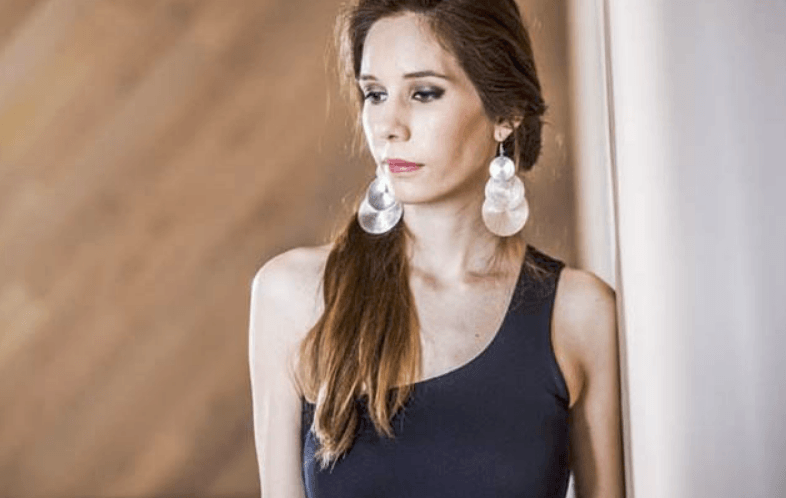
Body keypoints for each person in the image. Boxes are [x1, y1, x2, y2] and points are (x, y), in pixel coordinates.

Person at [249, 0, 624, 496]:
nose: (389, 126)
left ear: (505, 112)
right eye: (375, 94)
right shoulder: (293, 296)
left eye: (424, 93)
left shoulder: (579, 314)